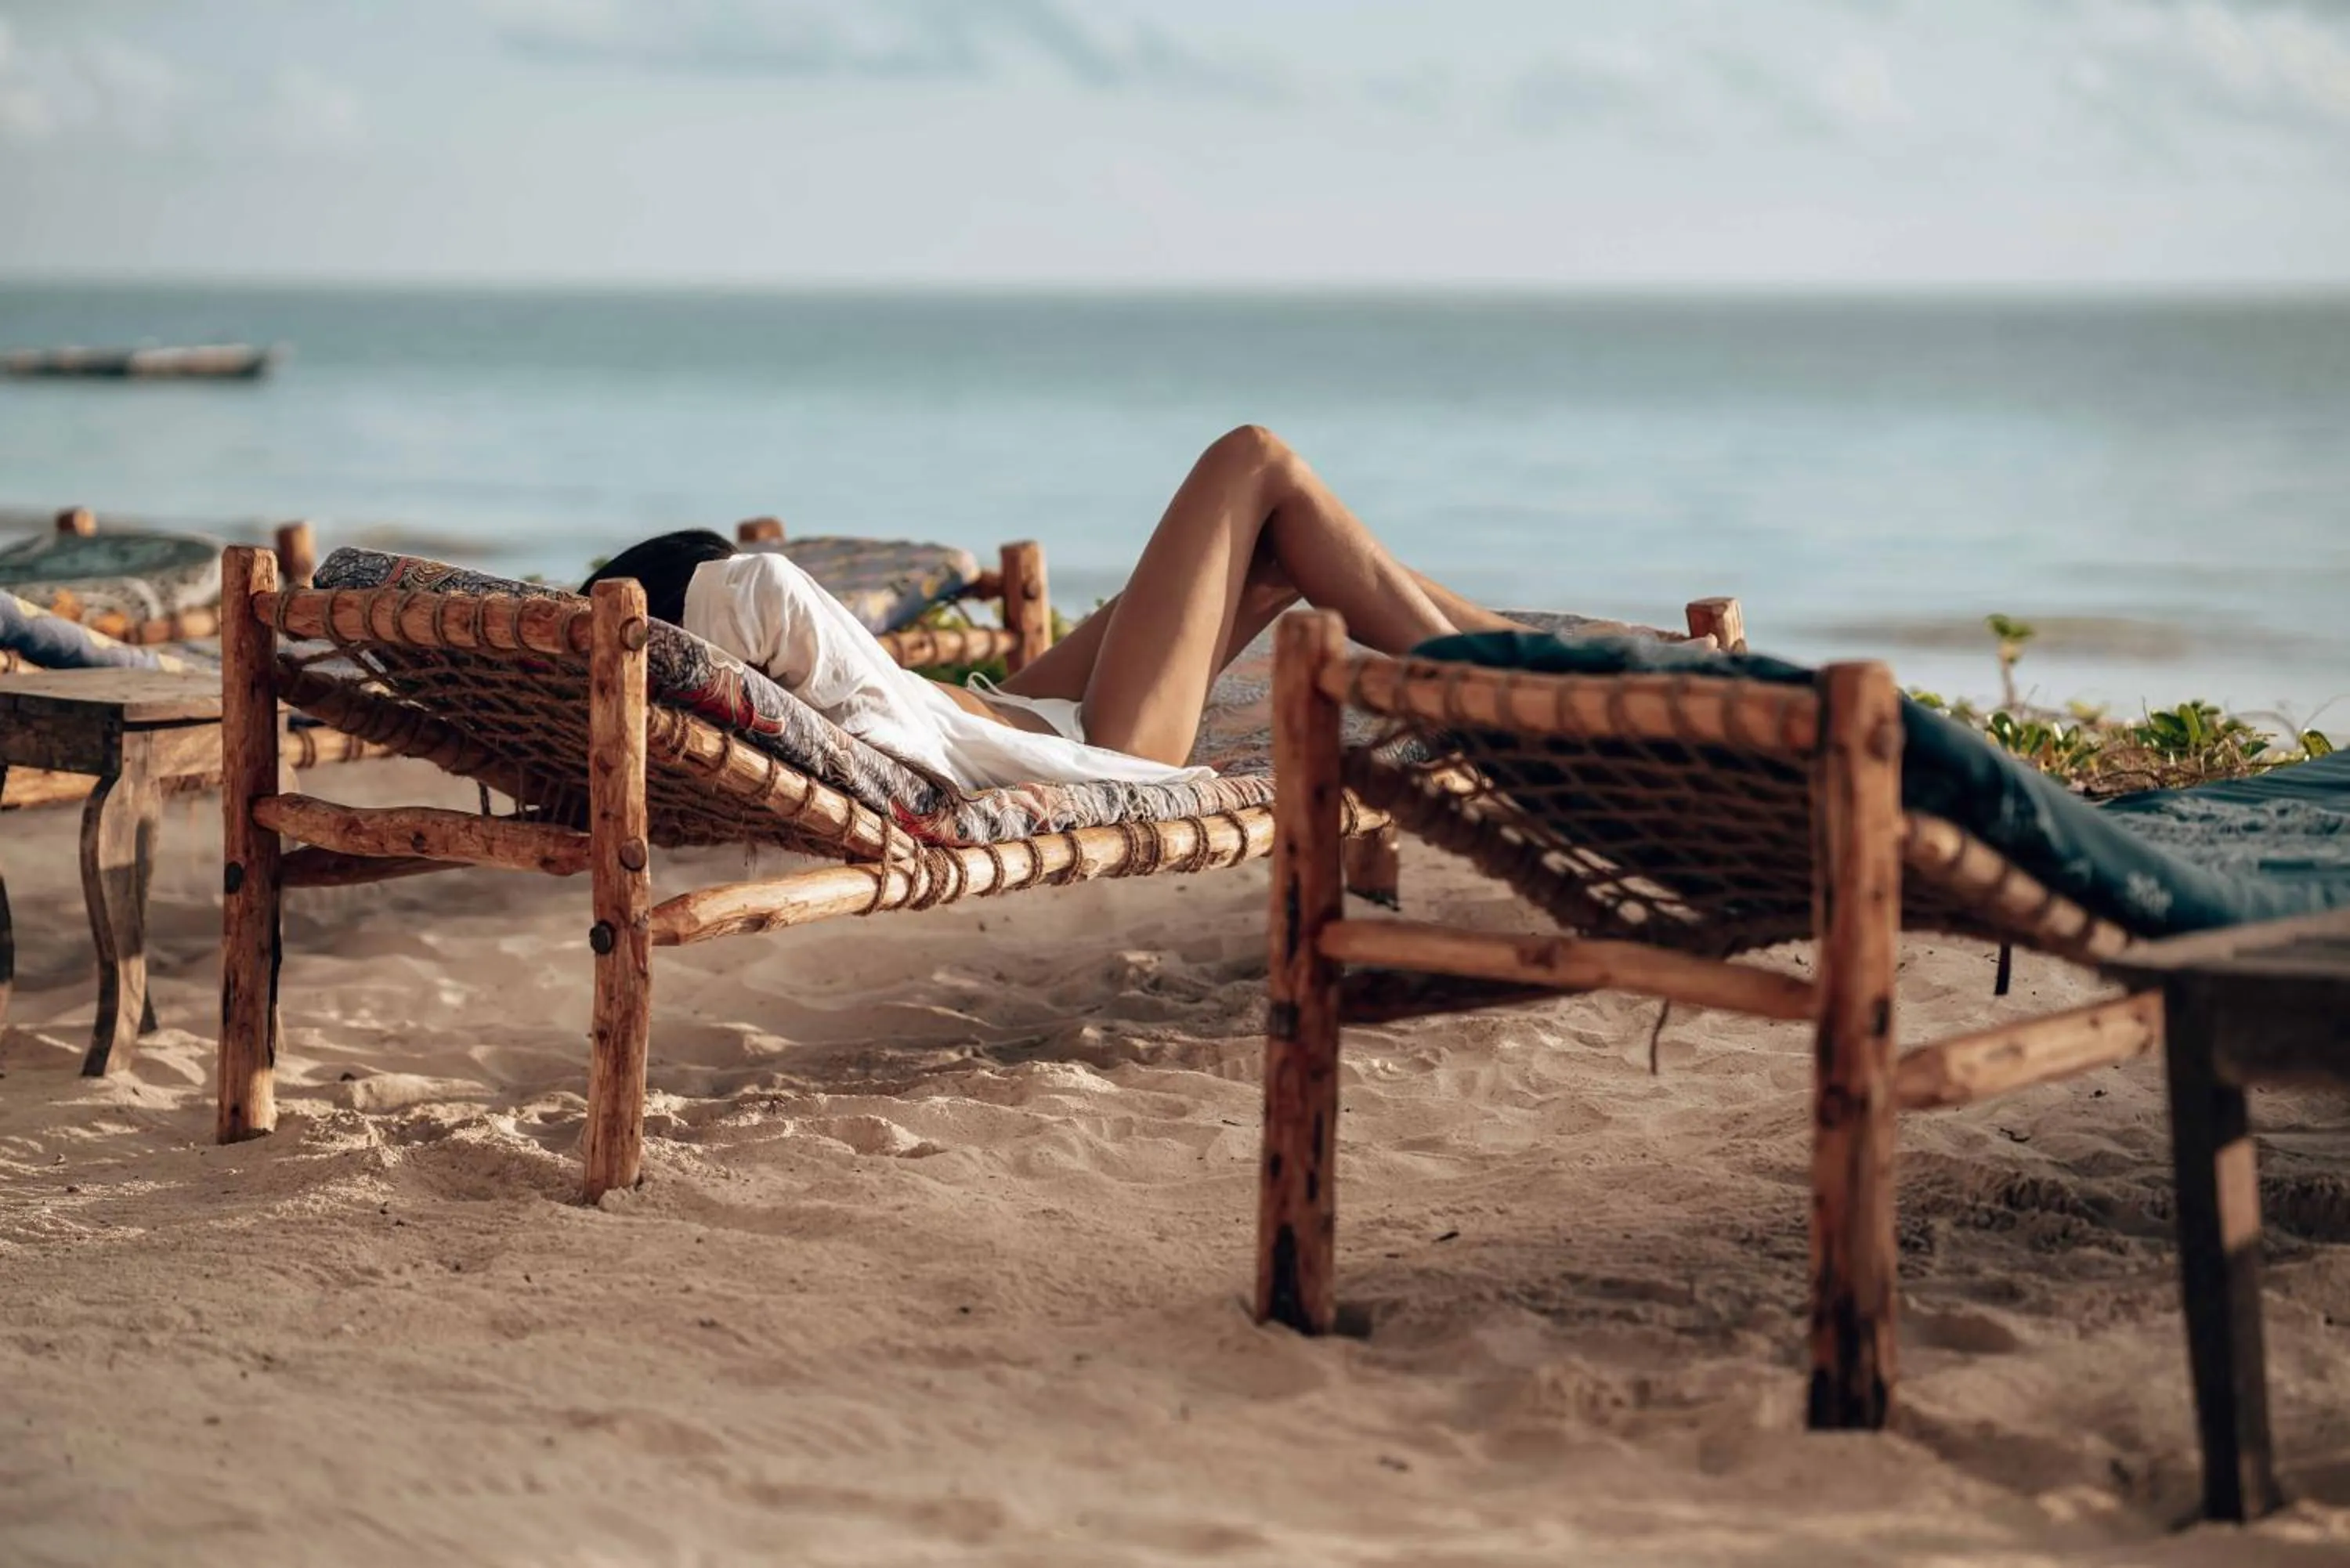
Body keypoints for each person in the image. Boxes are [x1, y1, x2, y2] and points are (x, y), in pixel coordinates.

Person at [584, 425, 1531, 791]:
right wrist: (671, 589)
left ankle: (1506, 645)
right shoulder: (751, 629)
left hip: (1016, 705)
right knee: (1254, 457)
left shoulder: (771, 692)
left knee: (1277, 550)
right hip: (1096, 740)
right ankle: (1514, 683)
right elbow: (762, 591)